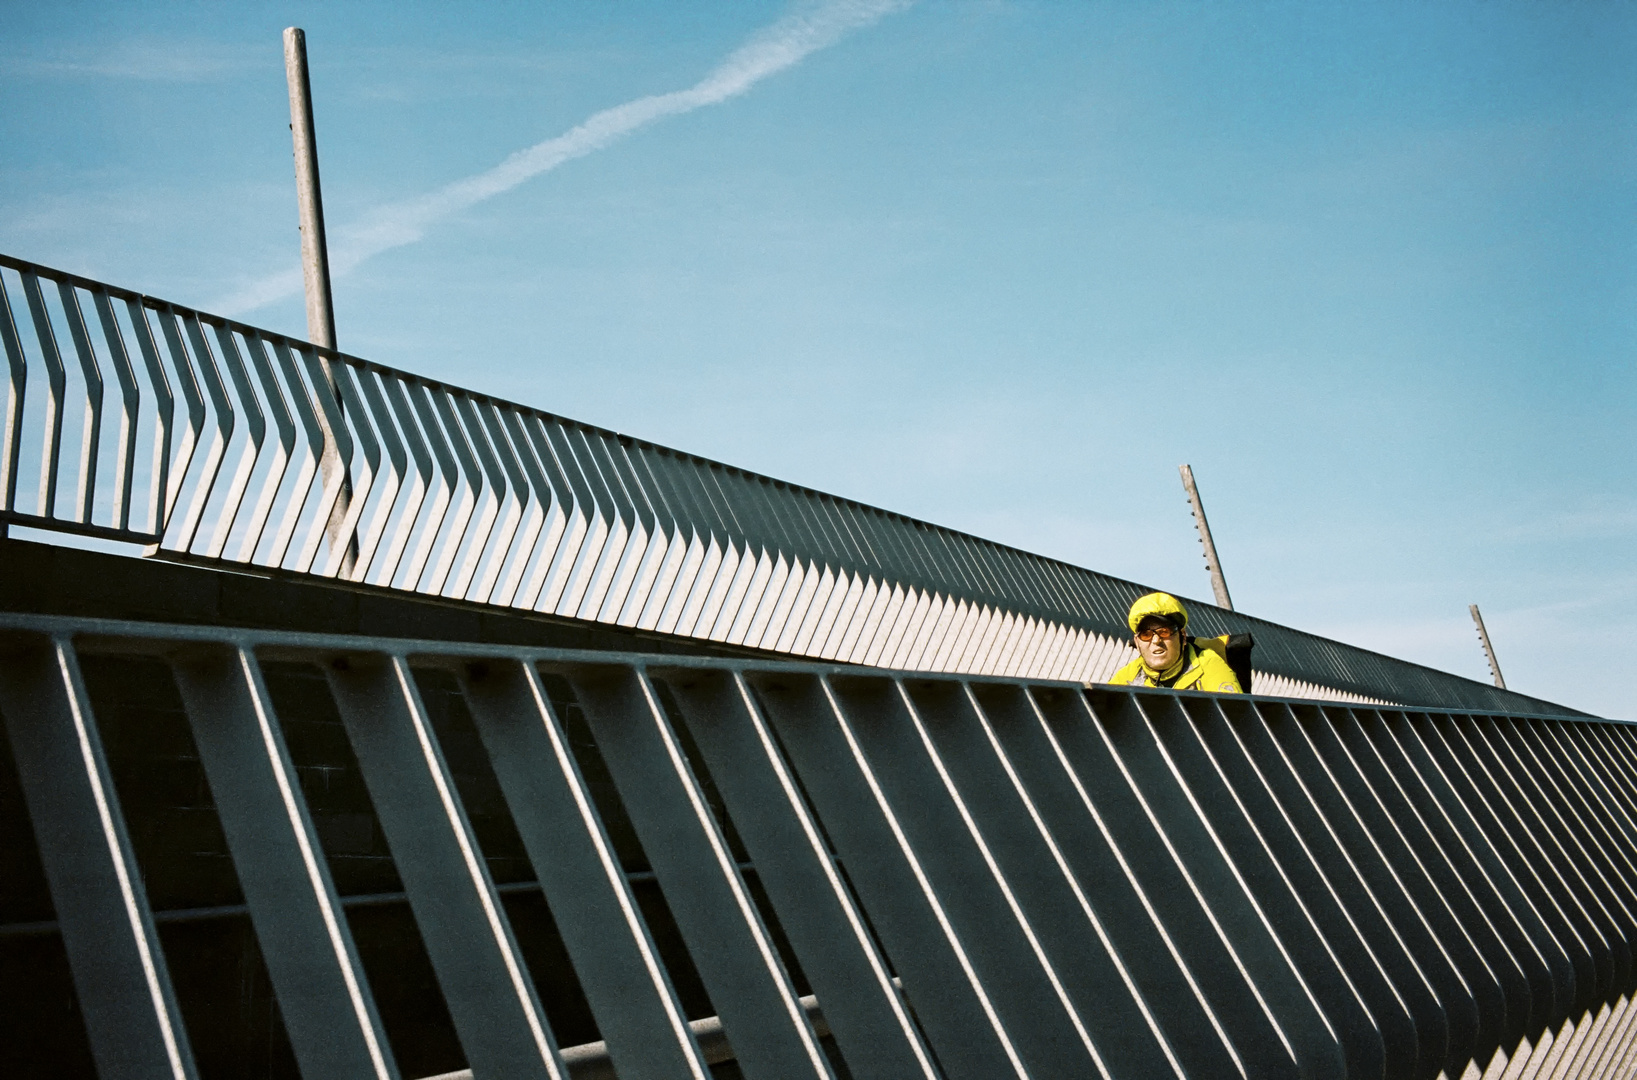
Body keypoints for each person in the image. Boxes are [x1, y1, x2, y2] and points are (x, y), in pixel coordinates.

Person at [1107, 592, 1243, 693]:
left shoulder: (1209, 663)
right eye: (1146, 635)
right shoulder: (1127, 676)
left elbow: (1232, 716)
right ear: (1137, 642)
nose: (1156, 640)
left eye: (1164, 632)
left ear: (1182, 636)